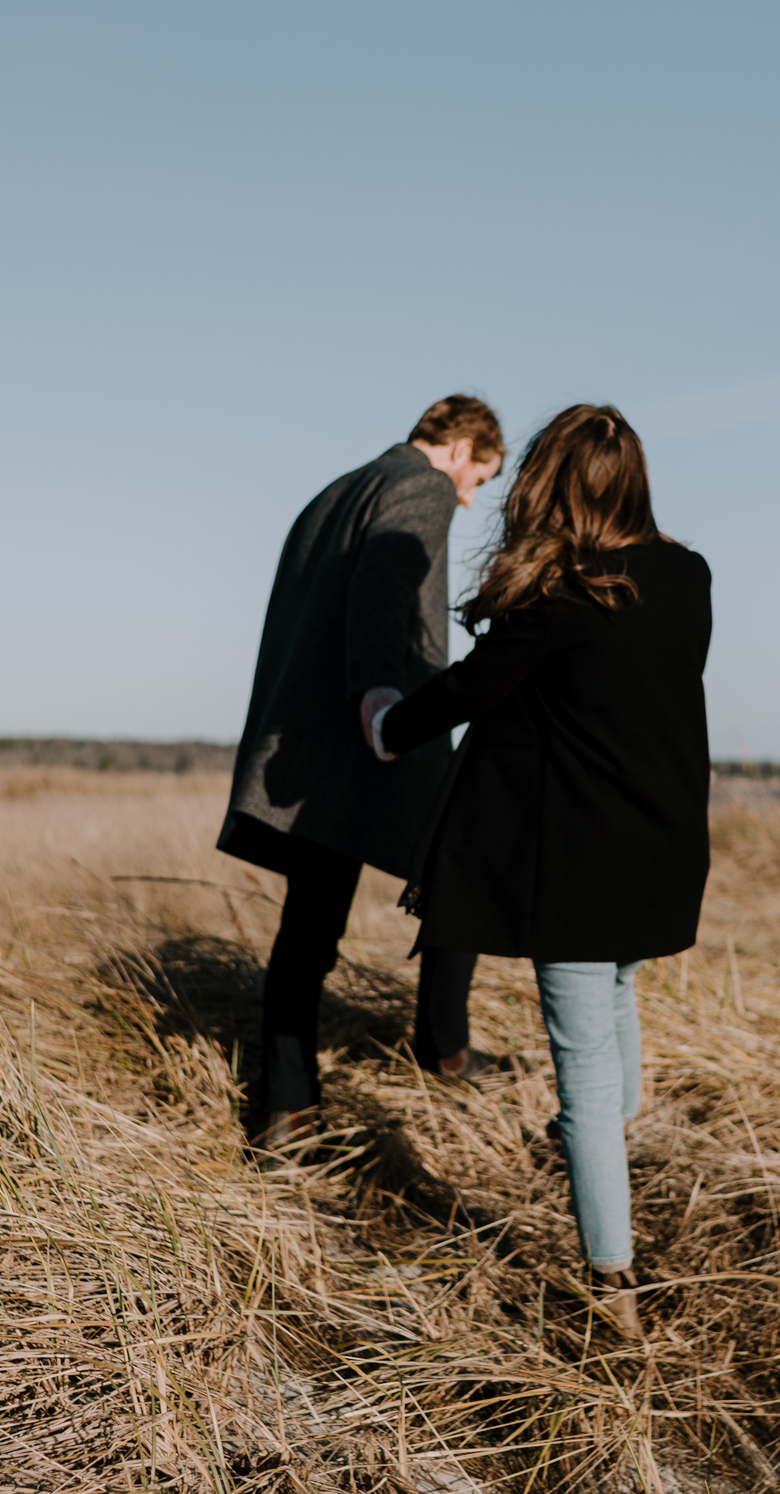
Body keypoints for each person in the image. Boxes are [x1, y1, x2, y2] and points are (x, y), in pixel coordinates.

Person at [364, 403, 711, 1339]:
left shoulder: (561, 592)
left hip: (579, 872)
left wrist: (389, 724)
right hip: (666, 852)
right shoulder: (689, 575)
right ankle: (617, 1166)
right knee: (620, 1008)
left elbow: (471, 692)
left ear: (547, 482)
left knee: (584, 1086)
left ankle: (615, 1292)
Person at [218, 395, 505, 1152]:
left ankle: (288, 1106)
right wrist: (381, 692)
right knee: (461, 867)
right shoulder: (422, 485)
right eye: (481, 477)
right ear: (462, 446)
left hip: (308, 744)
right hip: (374, 735)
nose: (471, 498)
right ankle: (445, 1049)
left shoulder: (333, 492)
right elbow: (384, 588)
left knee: (307, 928)